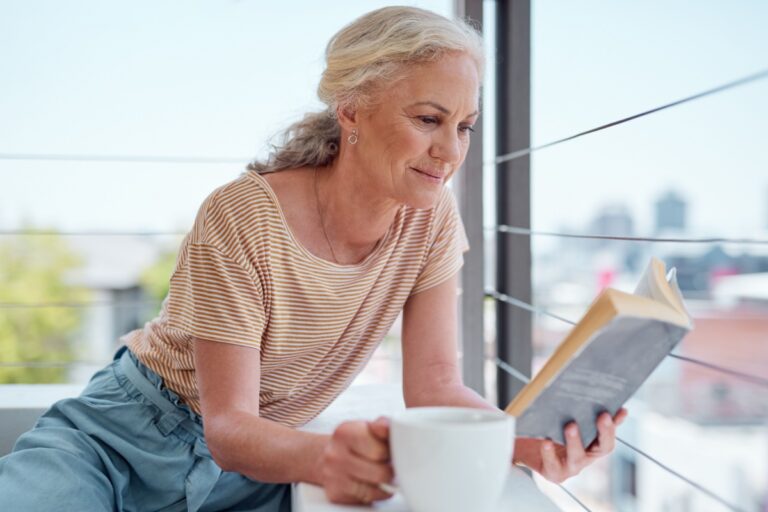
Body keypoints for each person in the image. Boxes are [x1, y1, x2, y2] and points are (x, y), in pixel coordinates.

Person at [0, 6, 626, 511]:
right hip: (121, 440)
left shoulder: (432, 218)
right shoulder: (243, 214)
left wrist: (527, 443)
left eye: (463, 126)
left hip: (254, 474)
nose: (449, 151)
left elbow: (434, 386)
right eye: (428, 119)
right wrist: (328, 454)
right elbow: (230, 424)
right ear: (351, 107)